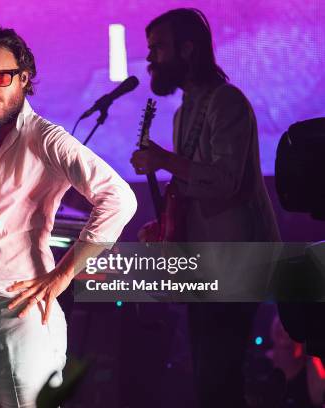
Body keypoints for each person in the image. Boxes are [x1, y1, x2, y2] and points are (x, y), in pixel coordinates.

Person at [0, 25, 137, 407]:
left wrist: (63, 274)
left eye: (2, 77)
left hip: (19, 321)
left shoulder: (45, 138)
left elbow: (119, 198)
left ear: (23, 78)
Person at [130, 8, 280, 408]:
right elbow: (195, 186)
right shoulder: (184, 112)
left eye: (158, 48)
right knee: (207, 379)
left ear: (188, 49)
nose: (150, 59)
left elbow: (226, 180)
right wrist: (164, 224)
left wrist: (163, 160)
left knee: (220, 378)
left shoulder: (227, 102)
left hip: (237, 259)